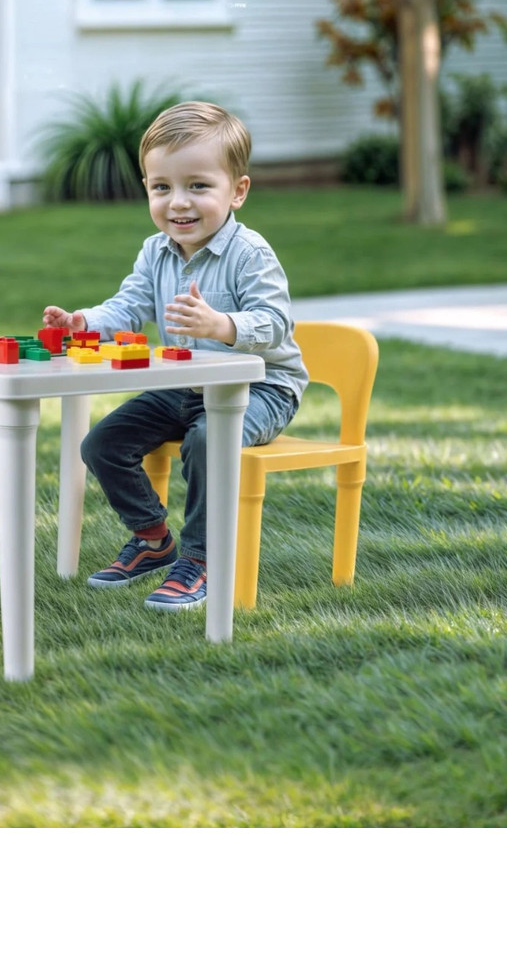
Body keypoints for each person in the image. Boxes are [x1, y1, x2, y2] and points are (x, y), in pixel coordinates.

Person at [43, 101, 308, 612]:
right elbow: (129, 306)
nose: (178, 203)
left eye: (198, 186)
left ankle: (202, 558)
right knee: (101, 442)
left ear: (238, 191)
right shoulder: (155, 250)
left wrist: (223, 326)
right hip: (186, 387)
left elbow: (275, 325)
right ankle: (152, 539)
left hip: (259, 390)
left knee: (207, 439)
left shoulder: (250, 254)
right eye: (161, 187)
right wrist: (85, 323)